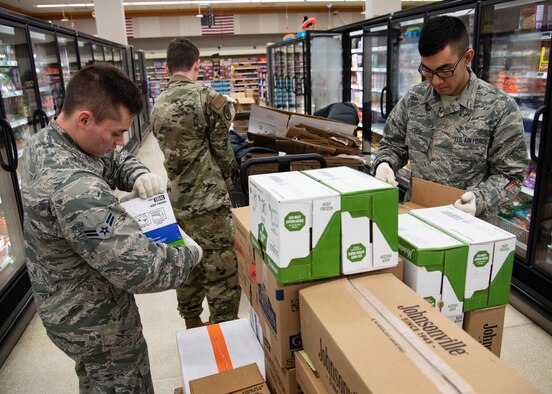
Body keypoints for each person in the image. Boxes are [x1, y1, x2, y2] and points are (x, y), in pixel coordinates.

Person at [21, 63, 203, 393]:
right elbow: (140, 269)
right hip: (95, 322)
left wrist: (137, 174)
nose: (120, 142)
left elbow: (110, 160)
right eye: (116, 133)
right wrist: (190, 255)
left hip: (65, 303)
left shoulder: (49, 141)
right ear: (85, 119)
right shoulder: (76, 190)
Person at [372, 16, 528, 217]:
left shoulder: (499, 107)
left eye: (445, 70)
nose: (435, 81)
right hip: (417, 214)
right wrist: (385, 164)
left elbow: (511, 175)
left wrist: (480, 199)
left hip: (469, 226)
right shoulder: (414, 100)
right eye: (427, 71)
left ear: (467, 57)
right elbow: (393, 146)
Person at [150, 38, 241, 329]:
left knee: (186, 265)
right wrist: (231, 174)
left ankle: (192, 322)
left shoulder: (157, 104)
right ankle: (222, 330)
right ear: (197, 65)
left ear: (167, 67)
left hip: (176, 201)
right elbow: (223, 151)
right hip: (209, 203)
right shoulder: (209, 98)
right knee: (220, 268)